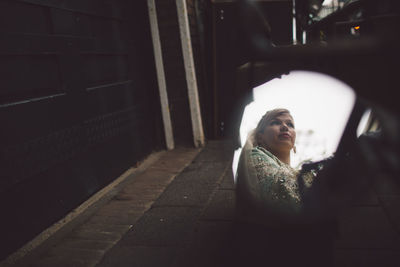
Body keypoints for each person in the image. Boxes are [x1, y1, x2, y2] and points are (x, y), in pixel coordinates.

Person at [232, 108, 333, 267]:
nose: (285, 127)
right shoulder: (256, 156)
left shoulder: (301, 171)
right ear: (260, 136)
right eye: (275, 123)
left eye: (290, 124)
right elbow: (285, 194)